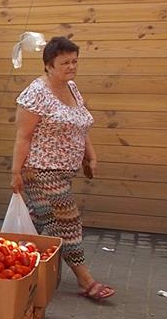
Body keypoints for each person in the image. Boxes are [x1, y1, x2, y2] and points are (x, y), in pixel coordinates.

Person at [10, 36, 113, 302]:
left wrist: (90, 156)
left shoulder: (72, 88)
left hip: (63, 171)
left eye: (75, 61)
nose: (71, 66)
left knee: (40, 222)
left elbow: (81, 124)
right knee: (67, 222)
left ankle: (10, 265)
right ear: (49, 65)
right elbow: (23, 136)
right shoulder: (36, 94)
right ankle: (85, 279)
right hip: (40, 170)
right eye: (65, 62)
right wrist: (15, 173)